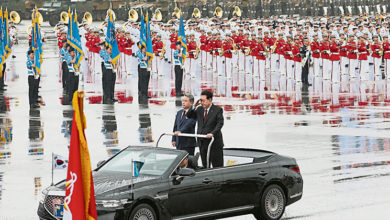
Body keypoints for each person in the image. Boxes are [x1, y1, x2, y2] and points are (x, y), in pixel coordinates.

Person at [187, 90, 224, 168]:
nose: (202, 102)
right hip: (202, 142)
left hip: (214, 143)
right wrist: (194, 106)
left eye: (203, 100)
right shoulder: (199, 109)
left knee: (217, 166)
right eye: (201, 100)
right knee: (205, 165)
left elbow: (220, 124)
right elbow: (189, 116)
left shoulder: (218, 110)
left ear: (210, 100)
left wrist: (212, 133)